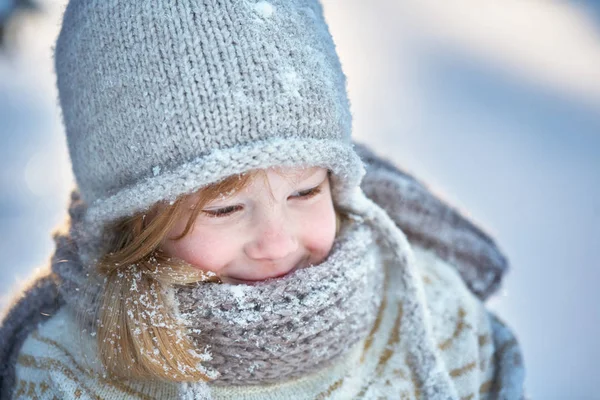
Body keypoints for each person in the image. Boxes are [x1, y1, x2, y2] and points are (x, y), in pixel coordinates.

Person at [0, 0, 525, 398]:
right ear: (133, 221)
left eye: (306, 191)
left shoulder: (427, 314)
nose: (276, 241)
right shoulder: (64, 367)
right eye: (225, 208)